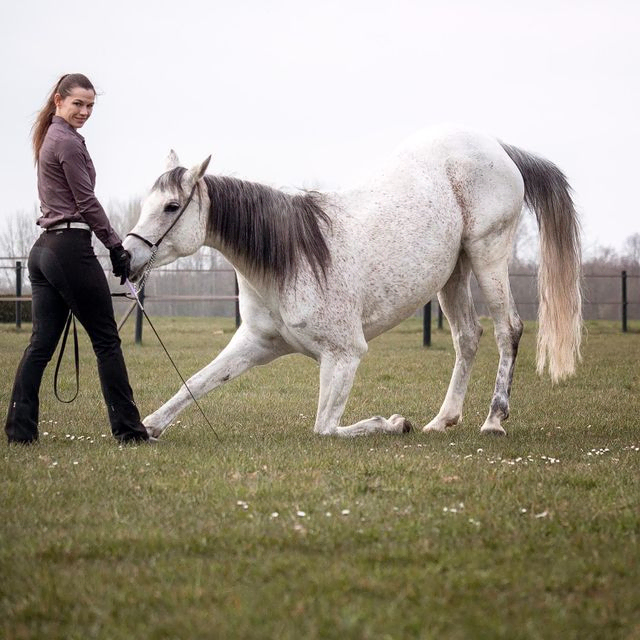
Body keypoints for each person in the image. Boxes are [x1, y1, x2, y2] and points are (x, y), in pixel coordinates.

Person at [5, 73, 149, 445]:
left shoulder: (53, 138)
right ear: (59, 101)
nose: (84, 111)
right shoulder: (65, 143)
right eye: (78, 104)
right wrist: (116, 247)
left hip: (45, 250)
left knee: (40, 344)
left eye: (90, 106)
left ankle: (19, 433)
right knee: (106, 342)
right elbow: (86, 203)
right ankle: (130, 432)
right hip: (68, 248)